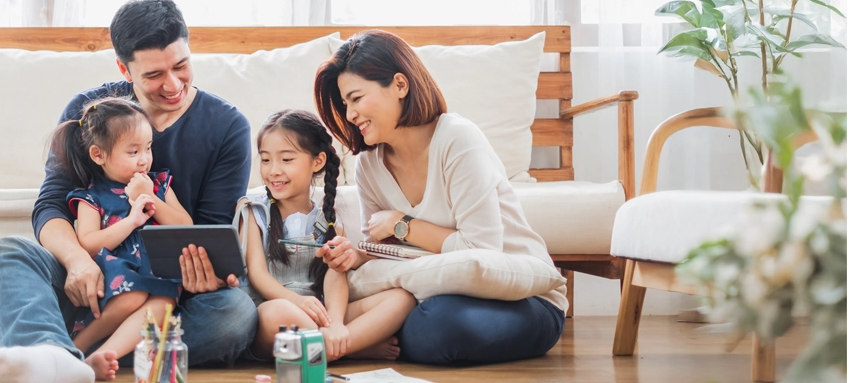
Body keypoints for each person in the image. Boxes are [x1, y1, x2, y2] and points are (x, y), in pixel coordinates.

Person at [0, 0, 257, 381]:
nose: (173, 84)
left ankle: (59, 353)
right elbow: (52, 205)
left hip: (167, 292)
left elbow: (208, 228)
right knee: (6, 254)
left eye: (181, 66)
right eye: (154, 75)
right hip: (91, 279)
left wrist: (202, 273)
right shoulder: (91, 111)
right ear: (124, 69)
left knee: (235, 314)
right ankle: (57, 360)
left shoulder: (227, 126)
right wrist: (77, 261)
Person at [311, 30, 568, 365]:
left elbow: (481, 254)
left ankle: (366, 338)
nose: (349, 115)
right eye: (345, 104)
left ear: (400, 85)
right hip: (432, 295)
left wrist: (403, 225)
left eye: (356, 98)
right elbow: (387, 256)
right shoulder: (368, 166)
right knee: (421, 319)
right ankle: (366, 338)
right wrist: (356, 256)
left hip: (523, 299)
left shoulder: (458, 140)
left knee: (434, 328)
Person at [236, 110, 414, 362]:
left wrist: (336, 323)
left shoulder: (329, 219)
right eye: (266, 160)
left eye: (286, 160)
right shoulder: (254, 210)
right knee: (280, 313)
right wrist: (296, 301)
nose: (273, 170)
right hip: (272, 313)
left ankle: (333, 342)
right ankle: (353, 349)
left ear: (317, 162)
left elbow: (335, 277)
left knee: (400, 298)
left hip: (316, 312)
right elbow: (257, 274)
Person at [52, 98, 193, 380]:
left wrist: (151, 196)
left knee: (162, 307)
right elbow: (89, 243)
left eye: (148, 148)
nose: (144, 158)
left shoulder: (158, 185)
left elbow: (184, 226)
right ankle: (73, 350)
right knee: (133, 296)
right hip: (119, 272)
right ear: (98, 154)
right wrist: (131, 221)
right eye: (133, 151)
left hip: (159, 272)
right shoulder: (91, 196)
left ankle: (104, 357)